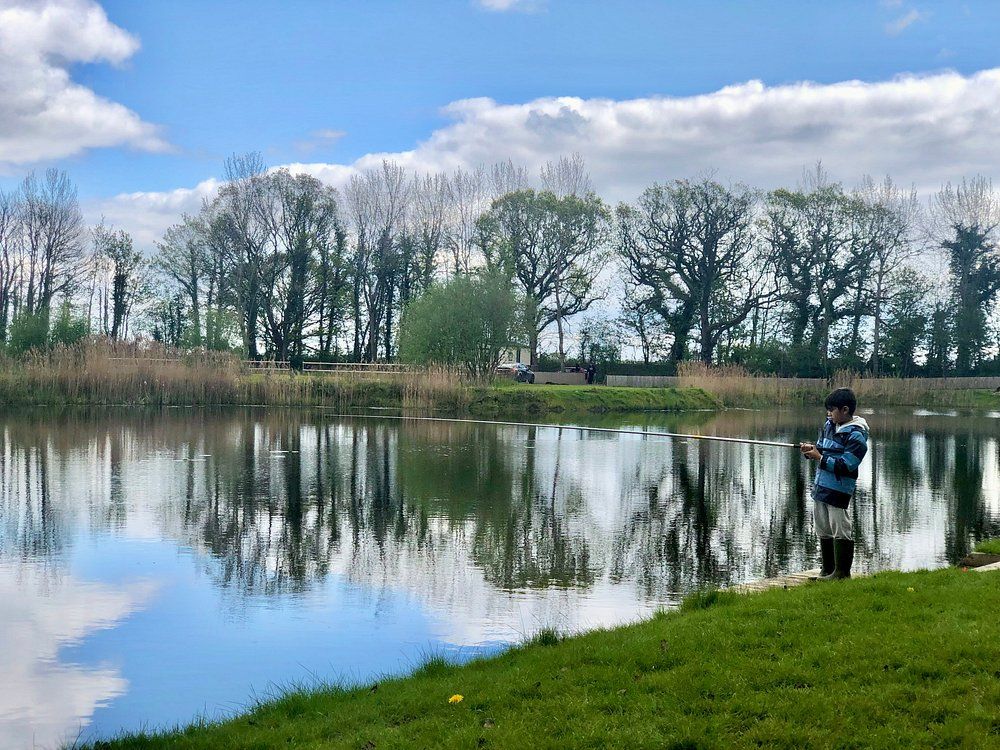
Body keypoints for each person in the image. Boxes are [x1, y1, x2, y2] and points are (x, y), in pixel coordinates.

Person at [799, 387, 869, 580]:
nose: (829, 414)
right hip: (820, 486)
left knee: (840, 528)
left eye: (832, 410)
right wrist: (811, 450)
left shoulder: (857, 435)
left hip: (839, 489)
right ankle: (827, 569)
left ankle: (841, 573)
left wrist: (820, 458)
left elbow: (847, 465)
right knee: (822, 527)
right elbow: (821, 449)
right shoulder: (829, 425)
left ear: (845, 410)